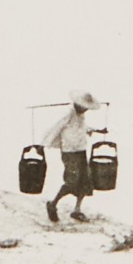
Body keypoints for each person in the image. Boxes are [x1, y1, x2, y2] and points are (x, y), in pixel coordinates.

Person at [43, 90, 106, 223]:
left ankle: (77, 210)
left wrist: (96, 130)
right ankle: (52, 204)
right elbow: (55, 128)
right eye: (84, 107)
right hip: (69, 152)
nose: (85, 110)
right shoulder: (68, 113)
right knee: (72, 180)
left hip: (81, 149)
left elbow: (82, 128)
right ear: (78, 104)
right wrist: (43, 144)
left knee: (85, 180)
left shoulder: (81, 115)